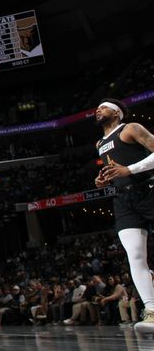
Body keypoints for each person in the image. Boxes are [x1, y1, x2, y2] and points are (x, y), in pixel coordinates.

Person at [94, 98, 154, 333]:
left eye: (104, 106)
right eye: (97, 108)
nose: (98, 110)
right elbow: (113, 169)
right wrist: (103, 180)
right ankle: (151, 310)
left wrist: (129, 170)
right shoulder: (99, 143)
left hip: (148, 190)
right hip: (123, 199)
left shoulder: (131, 128)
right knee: (135, 255)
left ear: (117, 113)